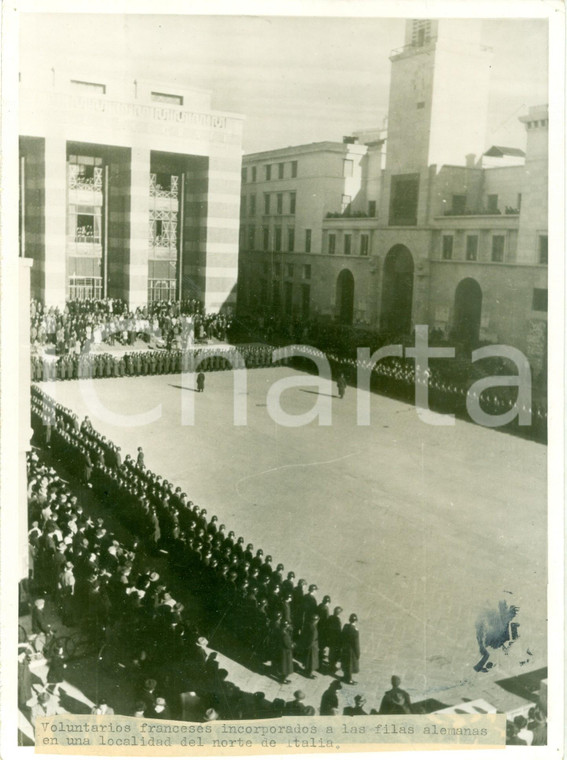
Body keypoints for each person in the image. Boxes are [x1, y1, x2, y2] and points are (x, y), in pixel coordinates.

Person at [341, 613, 360, 684]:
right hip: (351, 651)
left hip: (345, 648)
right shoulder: (355, 631)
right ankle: (349, 679)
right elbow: (356, 644)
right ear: (356, 621)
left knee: (345, 663)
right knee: (350, 665)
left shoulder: (345, 626)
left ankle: (345, 676)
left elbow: (342, 636)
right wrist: (358, 654)